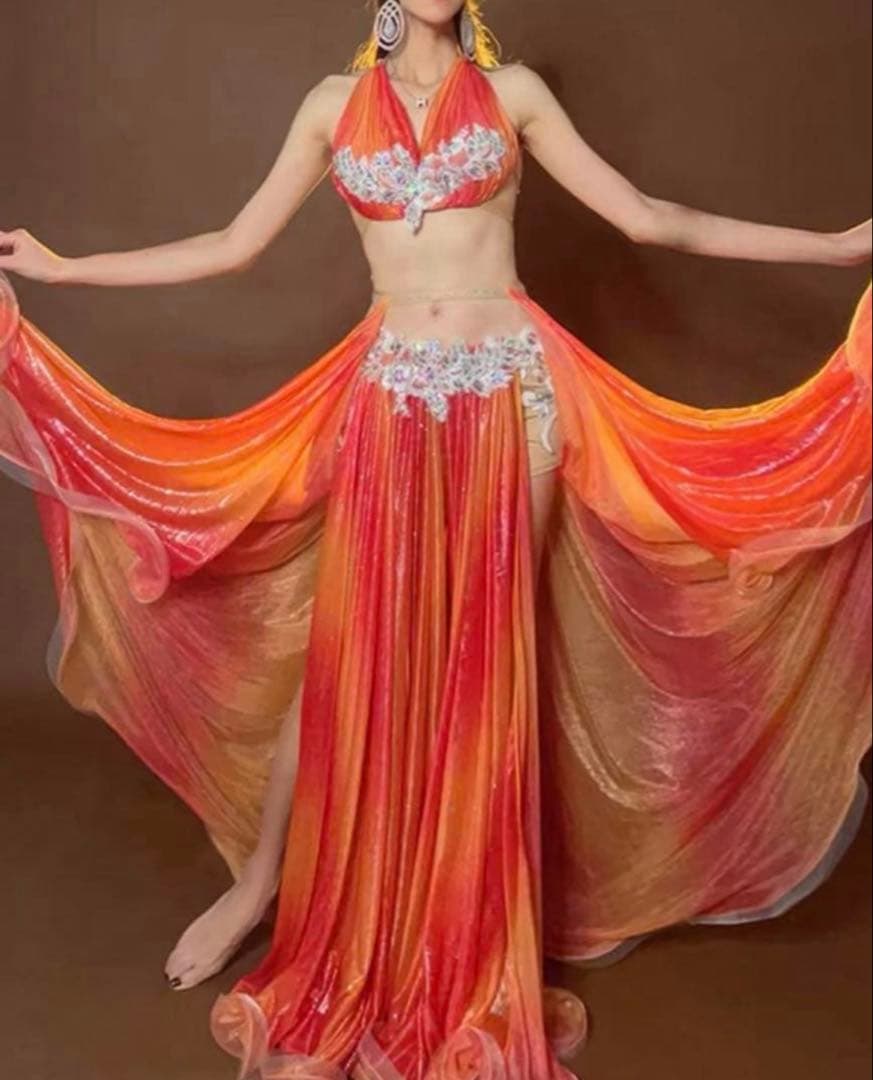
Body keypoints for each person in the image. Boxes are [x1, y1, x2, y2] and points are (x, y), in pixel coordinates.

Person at [1, 2, 871, 1076]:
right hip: (388, 405)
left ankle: (465, 926)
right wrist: (64, 268)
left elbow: (649, 219)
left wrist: (839, 245)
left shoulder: (515, 96)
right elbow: (231, 245)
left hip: (515, 398)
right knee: (348, 657)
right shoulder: (331, 107)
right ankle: (261, 885)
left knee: (485, 660)